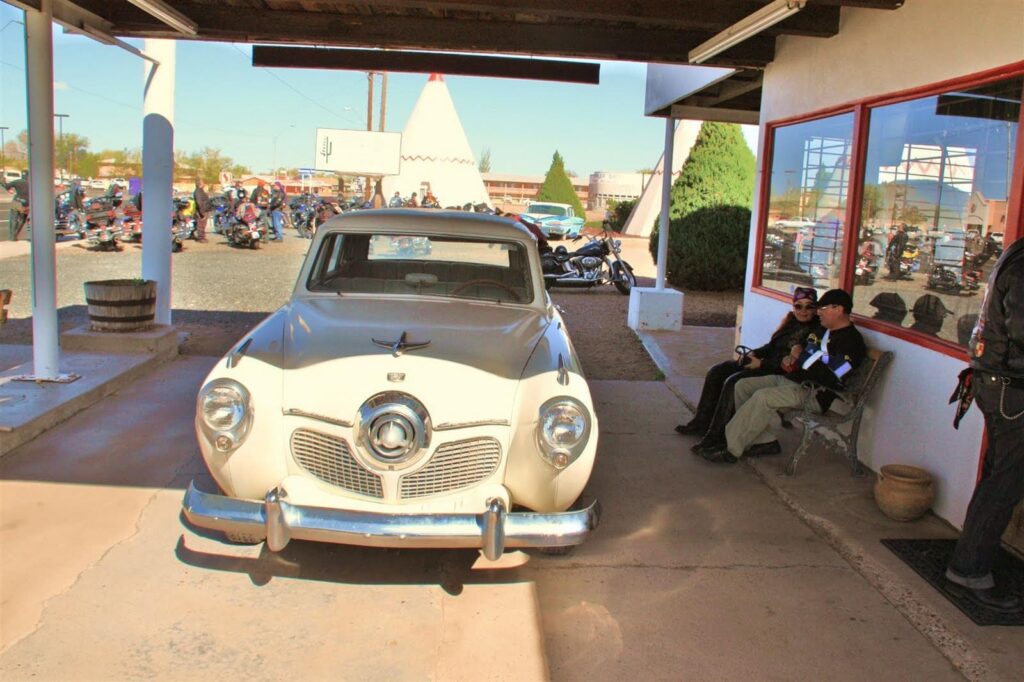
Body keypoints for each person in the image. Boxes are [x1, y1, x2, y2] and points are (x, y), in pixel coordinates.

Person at [945, 236, 1024, 614]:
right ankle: (970, 570)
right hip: (1011, 388)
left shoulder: (1016, 251)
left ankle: (969, 563)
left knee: (998, 479)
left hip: (998, 382)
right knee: (1005, 484)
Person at [702, 289, 867, 464]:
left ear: (838, 309)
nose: (818, 312)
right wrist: (791, 359)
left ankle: (731, 449)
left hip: (815, 392)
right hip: (794, 380)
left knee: (763, 396)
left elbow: (832, 376)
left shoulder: (852, 342)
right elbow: (801, 352)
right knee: (742, 385)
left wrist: (802, 356)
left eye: (823, 308)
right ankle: (764, 441)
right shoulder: (822, 331)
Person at [685, 287, 823, 454]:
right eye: (798, 306)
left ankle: (717, 435)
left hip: (780, 372)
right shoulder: (790, 323)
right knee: (718, 371)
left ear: (815, 308)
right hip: (766, 363)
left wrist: (762, 364)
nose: (803, 311)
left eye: (809, 306)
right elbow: (771, 346)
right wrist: (754, 353)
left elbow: (796, 363)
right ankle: (702, 422)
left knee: (734, 381)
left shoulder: (816, 332)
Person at [3, 176, 29, 241]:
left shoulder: (18, 181)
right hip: (27, 204)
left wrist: (10, 191)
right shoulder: (33, 184)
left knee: (13, 219)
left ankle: (12, 237)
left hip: (17, 201)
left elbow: (6, 186)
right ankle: (17, 233)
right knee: (23, 220)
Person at [193, 179, 211, 243]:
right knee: (201, 224)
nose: (204, 184)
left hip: (205, 210)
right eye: (203, 183)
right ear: (200, 184)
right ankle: (201, 238)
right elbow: (199, 202)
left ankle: (202, 237)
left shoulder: (201, 191)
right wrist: (201, 212)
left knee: (203, 225)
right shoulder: (198, 191)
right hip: (202, 211)